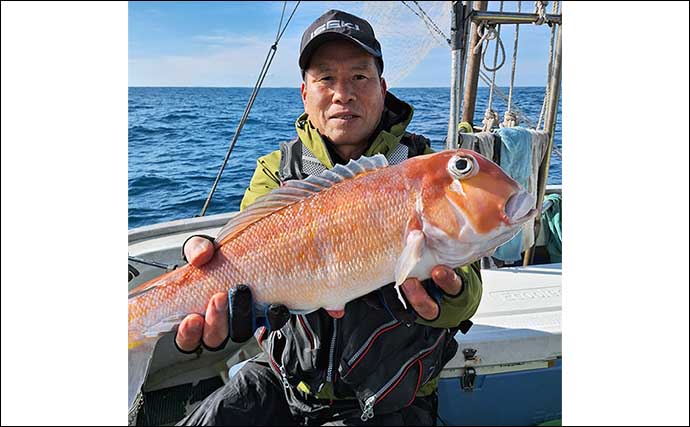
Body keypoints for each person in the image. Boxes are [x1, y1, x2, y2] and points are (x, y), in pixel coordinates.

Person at [174, 10, 483, 426]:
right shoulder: (276, 170)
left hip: (392, 395)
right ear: (305, 93)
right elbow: (243, 247)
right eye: (326, 79)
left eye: (359, 77)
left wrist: (451, 297)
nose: (343, 93)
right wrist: (211, 270)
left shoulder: (424, 169)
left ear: (383, 88)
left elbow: (470, 288)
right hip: (286, 382)